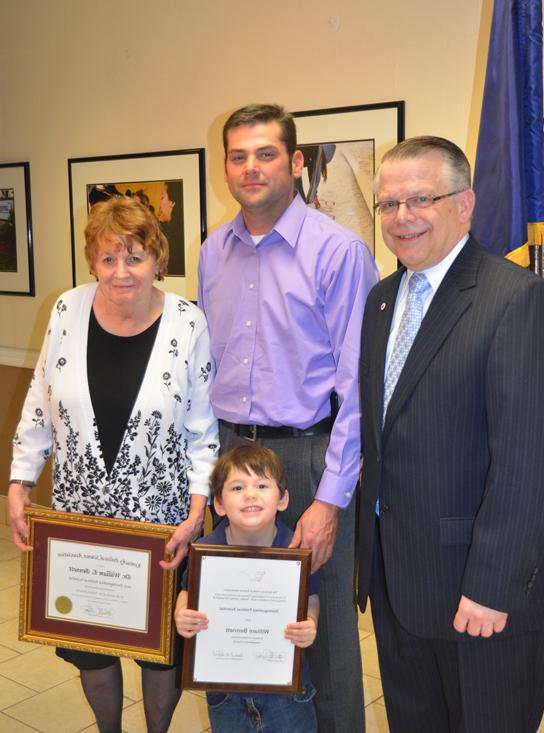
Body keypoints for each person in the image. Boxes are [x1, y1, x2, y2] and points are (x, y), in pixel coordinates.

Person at [357, 136, 544, 733]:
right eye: (388, 204)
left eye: (421, 199)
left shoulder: (518, 301)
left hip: (478, 594)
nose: (402, 217)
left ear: (466, 203)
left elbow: (529, 464)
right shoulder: (381, 301)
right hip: (398, 582)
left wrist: (492, 586)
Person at [197, 103, 378, 732]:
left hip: (308, 457)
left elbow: (359, 389)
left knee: (319, 638)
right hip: (228, 456)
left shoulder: (339, 252)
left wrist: (328, 501)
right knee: (237, 620)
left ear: (297, 162)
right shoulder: (212, 251)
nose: (251, 167)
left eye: (266, 153)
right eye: (238, 155)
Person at [8, 196, 219, 733]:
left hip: (160, 521)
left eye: (136, 257)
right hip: (81, 517)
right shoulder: (66, 309)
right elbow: (40, 401)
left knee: (158, 650)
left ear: (158, 260)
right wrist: (19, 481)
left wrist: (196, 514)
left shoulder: (186, 321)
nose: (121, 271)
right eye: (108, 258)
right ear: (92, 260)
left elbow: (202, 427)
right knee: (93, 646)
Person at [176, 444, 320, 732]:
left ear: (282, 499)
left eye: (262, 485)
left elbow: (311, 595)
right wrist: (182, 614)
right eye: (238, 487)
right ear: (218, 503)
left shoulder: (295, 551)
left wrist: (311, 622)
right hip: (225, 692)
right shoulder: (206, 550)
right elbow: (186, 591)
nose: (251, 494)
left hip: (288, 692)